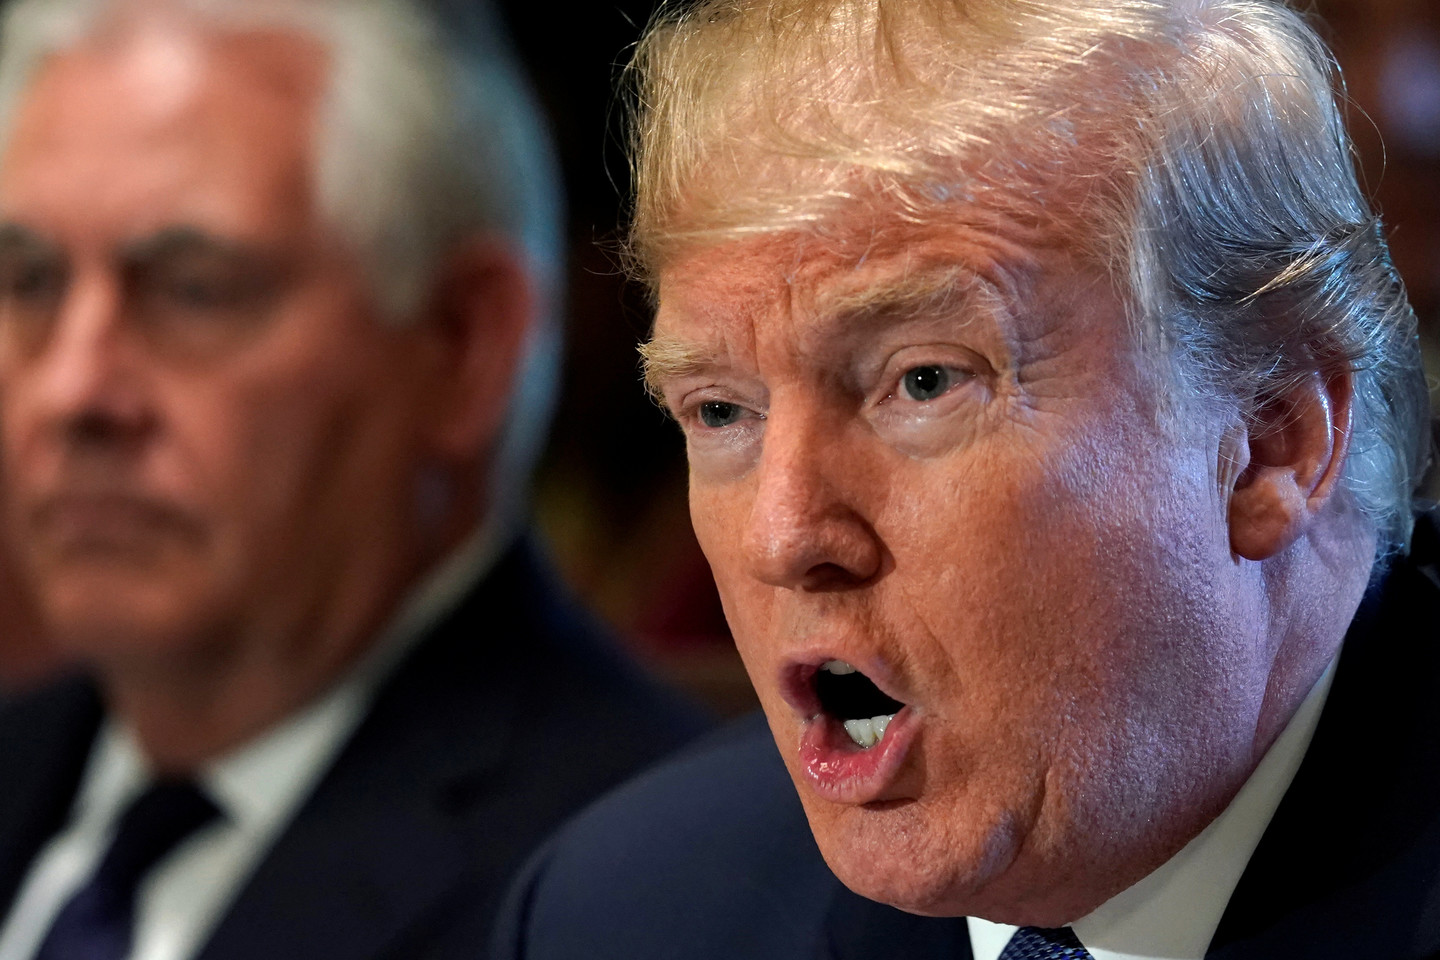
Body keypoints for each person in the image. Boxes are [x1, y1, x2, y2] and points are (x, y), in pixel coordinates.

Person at [490, 0, 1440, 957]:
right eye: (721, 411)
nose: (782, 536)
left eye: (925, 382)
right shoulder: (624, 914)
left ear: (1270, 441)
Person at [0, 1, 705, 958]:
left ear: (462, 345)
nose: (73, 390)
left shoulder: (648, 893)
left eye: (192, 288)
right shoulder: (22, 764)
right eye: (29, 283)